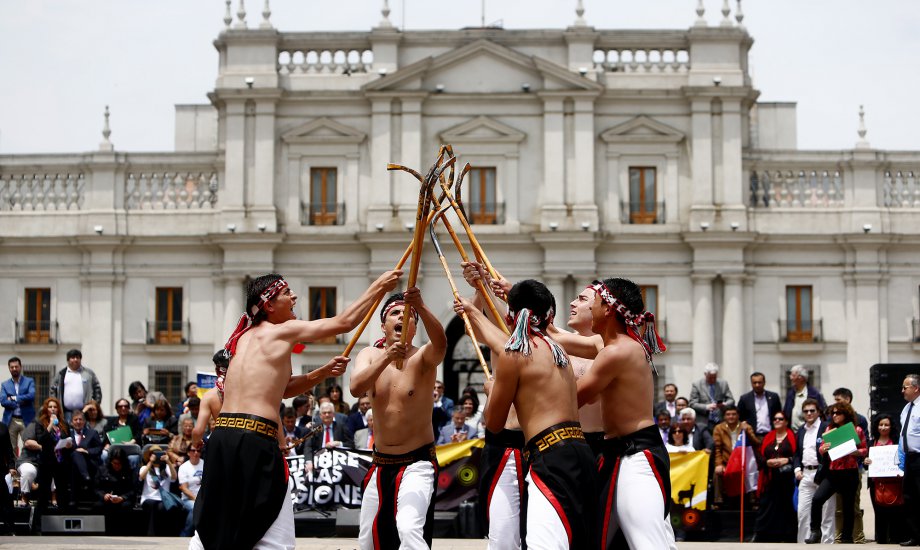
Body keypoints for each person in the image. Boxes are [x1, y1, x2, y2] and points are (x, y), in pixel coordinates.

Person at [191, 270, 401, 550]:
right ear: (268, 304)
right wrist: (380, 286)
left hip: (222, 439)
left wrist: (322, 373)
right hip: (253, 440)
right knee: (272, 535)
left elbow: (280, 388)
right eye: (286, 292)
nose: (294, 297)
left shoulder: (242, 338)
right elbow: (344, 322)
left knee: (218, 521)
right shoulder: (283, 331)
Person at [457, 278, 598, 549]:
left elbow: (494, 422)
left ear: (512, 316)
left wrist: (493, 387)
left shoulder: (516, 353)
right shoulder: (559, 351)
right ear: (550, 316)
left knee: (542, 544)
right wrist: (476, 304)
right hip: (581, 450)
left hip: (550, 453)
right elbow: (492, 333)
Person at [561, 277, 672, 549]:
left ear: (608, 309)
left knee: (649, 544)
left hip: (636, 457)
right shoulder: (614, 346)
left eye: (593, 301)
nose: (584, 306)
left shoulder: (616, 352)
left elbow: (576, 397)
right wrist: (515, 297)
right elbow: (554, 336)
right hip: (622, 454)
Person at [351, 287, 446, 550]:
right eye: (395, 313)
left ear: (415, 327)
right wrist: (387, 356)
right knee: (367, 540)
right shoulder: (369, 355)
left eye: (409, 315)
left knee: (408, 526)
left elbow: (441, 344)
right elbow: (356, 387)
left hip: (417, 463)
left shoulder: (423, 357)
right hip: (380, 463)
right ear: (383, 325)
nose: (402, 318)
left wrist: (422, 306)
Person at [804, 401, 868, 544]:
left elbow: (864, 449)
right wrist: (823, 449)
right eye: (832, 413)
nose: (834, 415)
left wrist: (856, 452)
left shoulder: (856, 430)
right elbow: (821, 449)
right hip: (833, 473)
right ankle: (815, 531)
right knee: (817, 499)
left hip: (849, 472)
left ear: (846, 414)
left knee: (848, 506)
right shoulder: (829, 430)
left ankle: (846, 537)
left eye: (838, 413)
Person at [793, 397, 835, 544]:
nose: (809, 413)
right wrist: (797, 469)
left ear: (818, 412)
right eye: (806, 411)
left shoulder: (826, 427)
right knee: (803, 513)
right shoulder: (800, 431)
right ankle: (803, 544)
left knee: (827, 512)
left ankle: (827, 544)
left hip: (824, 473)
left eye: (812, 410)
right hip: (805, 473)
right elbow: (797, 453)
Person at [831, 387, 868, 544]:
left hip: (854, 468)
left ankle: (858, 536)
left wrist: (855, 453)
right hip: (838, 469)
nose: (836, 406)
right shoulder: (832, 424)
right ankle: (840, 536)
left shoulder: (860, 420)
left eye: (839, 401)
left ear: (848, 400)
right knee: (840, 507)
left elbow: (862, 446)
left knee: (853, 505)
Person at [754, 410, 797, 543]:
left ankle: (787, 536)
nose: (777, 421)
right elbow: (760, 455)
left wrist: (787, 460)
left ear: (786, 422)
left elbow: (798, 455)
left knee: (786, 508)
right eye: (775, 419)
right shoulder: (768, 437)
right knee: (766, 507)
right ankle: (762, 535)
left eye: (780, 419)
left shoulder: (793, 437)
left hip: (787, 480)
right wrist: (767, 462)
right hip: (770, 478)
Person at [863, 413, 904, 544]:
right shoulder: (871, 443)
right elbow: (865, 467)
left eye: (886, 425)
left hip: (894, 484)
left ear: (891, 427)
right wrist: (866, 462)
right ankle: (881, 540)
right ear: (876, 426)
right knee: (879, 513)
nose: (883, 427)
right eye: (881, 424)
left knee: (894, 513)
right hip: (876, 484)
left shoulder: (897, 443)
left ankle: (895, 538)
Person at [29, 396, 74, 512]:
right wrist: (49, 425)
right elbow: (41, 440)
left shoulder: (64, 424)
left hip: (60, 462)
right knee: (43, 494)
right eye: (50, 407)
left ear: (58, 410)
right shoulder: (40, 423)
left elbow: (69, 439)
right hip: (46, 462)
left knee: (63, 492)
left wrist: (68, 445)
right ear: (46, 409)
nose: (53, 409)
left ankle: (63, 521)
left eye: (55, 407)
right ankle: (39, 525)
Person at [712, 405, 760, 505]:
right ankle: (718, 502)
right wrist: (719, 464)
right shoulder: (719, 428)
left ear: (738, 415)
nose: (731, 417)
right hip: (727, 462)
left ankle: (753, 501)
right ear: (724, 416)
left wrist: (747, 432)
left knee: (751, 471)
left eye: (734, 414)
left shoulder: (745, 426)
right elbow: (717, 449)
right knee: (717, 473)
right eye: (728, 414)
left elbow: (756, 443)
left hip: (743, 462)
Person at [49, 349, 102, 421]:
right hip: (65, 413)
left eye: (78, 357)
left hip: (84, 413)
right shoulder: (61, 374)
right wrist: (56, 406)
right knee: (66, 431)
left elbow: (97, 389)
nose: (75, 360)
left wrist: (95, 404)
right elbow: (52, 390)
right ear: (68, 360)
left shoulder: (88, 373)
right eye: (73, 358)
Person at [898, 373, 920, 547]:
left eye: (905, 387)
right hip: (909, 458)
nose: (902, 390)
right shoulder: (907, 408)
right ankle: (915, 535)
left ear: (916, 388)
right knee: (909, 497)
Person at [95, 447, 136, 536]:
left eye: (119, 464)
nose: (117, 466)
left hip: (122, 499)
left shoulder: (128, 471)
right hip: (107, 499)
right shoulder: (102, 470)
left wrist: (122, 498)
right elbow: (96, 488)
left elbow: (133, 490)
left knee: (127, 506)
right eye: (115, 463)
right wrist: (103, 495)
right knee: (98, 506)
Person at [139, 444, 178, 536]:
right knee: (152, 504)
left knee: (161, 507)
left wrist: (168, 461)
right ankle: (151, 534)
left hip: (163, 499)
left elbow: (174, 478)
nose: (156, 456)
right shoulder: (145, 467)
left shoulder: (166, 468)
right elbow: (141, 477)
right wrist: (150, 462)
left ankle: (162, 534)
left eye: (158, 454)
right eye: (153, 454)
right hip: (148, 498)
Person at [2, 356, 35, 455]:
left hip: (27, 419)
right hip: (11, 420)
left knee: (28, 444)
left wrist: (14, 398)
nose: (14, 369)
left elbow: (31, 396)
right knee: (11, 447)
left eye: (16, 366)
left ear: (20, 367)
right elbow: (3, 401)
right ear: (9, 368)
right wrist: (22, 399)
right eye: (12, 367)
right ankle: (14, 468)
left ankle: (26, 467)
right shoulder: (5, 384)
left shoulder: (29, 381)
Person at [68, 409, 103, 504]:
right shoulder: (67, 434)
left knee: (77, 454)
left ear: (84, 422)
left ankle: (73, 499)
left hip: (89, 463)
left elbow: (99, 448)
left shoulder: (92, 433)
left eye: (80, 419)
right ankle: (85, 477)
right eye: (75, 420)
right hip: (71, 465)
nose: (78, 422)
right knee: (75, 454)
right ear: (71, 422)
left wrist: (86, 451)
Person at [689, 362, 735, 430]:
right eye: (710, 378)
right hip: (704, 421)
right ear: (705, 374)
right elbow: (692, 403)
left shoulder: (723, 384)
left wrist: (725, 404)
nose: (713, 380)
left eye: (714, 377)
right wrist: (706, 407)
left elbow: (731, 400)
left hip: (720, 420)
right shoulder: (697, 385)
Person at [736, 372, 782, 437]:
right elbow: (740, 417)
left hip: (771, 435)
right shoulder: (745, 399)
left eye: (759, 382)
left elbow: (779, 414)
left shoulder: (773, 397)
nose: (757, 385)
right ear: (751, 383)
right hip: (752, 436)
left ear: (764, 383)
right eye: (754, 383)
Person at [783, 364, 827, 432]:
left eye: (793, 375)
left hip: (809, 431)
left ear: (801, 377)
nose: (790, 378)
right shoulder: (790, 393)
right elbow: (786, 412)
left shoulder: (814, 393)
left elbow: (823, 412)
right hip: (792, 432)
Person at [178, 444, 204, 537]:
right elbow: (183, 488)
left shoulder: (205, 464)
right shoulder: (184, 467)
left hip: (204, 498)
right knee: (195, 508)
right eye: (193, 451)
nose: (196, 453)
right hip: (188, 499)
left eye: (198, 451)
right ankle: (185, 534)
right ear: (188, 453)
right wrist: (196, 499)